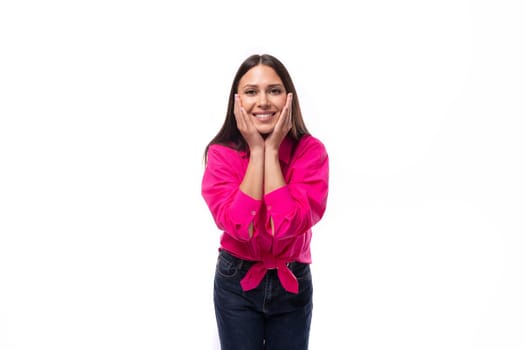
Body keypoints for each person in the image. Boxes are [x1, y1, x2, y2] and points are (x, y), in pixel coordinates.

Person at [201, 53, 329, 350]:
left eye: (273, 90)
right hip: (237, 282)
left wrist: (271, 152)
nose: (263, 101)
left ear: (289, 99)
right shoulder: (221, 154)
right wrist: (258, 153)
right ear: (237, 102)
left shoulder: (311, 152)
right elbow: (238, 225)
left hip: (292, 279)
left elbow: (286, 224)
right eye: (251, 92)